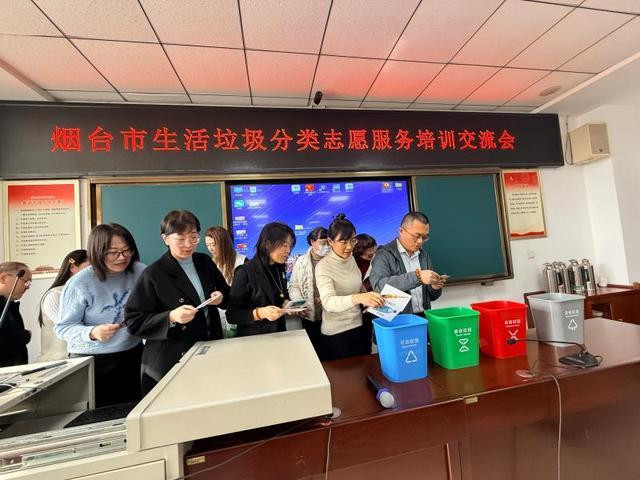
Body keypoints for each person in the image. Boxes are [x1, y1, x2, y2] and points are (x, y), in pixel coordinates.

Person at [126, 210, 229, 395]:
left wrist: (220, 297)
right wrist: (171, 317)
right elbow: (134, 321)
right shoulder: (154, 273)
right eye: (180, 239)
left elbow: (227, 294)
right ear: (165, 239)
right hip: (172, 357)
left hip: (209, 346)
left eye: (194, 237)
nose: (188, 244)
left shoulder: (204, 262)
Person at [56, 224, 144, 407]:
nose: (122, 257)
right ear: (97, 252)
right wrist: (92, 332)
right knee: (99, 415)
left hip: (132, 354)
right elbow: (63, 328)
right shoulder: (79, 283)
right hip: (92, 360)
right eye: (113, 252)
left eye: (126, 250)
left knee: (135, 411)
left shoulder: (140, 271)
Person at [315, 214, 384, 361]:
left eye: (352, 240)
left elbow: (356, 285)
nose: (349, 247)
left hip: (359, 326)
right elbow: (328, 302)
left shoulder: (350, 258)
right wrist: (359, 298)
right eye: (343, 242)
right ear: (330, 241)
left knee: (365, 369)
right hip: (338, 334)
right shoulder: (323, 267)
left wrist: (369, 298)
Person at [227, 222, 294, 337]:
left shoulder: (279, 268)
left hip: (279, 334)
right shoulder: (245, 272)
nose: (288, 250)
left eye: (290, 246)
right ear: (268, 244)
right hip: (253, 338)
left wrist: (286, 303)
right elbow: (232, 315)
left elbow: (281, 295)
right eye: (284, 245)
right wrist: (259, 313)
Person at [370, 212, 444, 315]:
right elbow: (379, 286)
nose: (420, 241)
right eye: (416, 236)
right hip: (397, 319)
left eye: (424, 237)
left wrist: (435, 288)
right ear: (401, 231)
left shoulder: (424, 255)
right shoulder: (383, 254)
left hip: (423, 316)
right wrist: (418, 277)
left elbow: (431, 297)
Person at [38, 249, 89, 362]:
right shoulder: (55, 295)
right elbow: (68, 328)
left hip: (79, 360)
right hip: (58, 362)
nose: (95, 272)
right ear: (73, 267)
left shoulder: (86, 292)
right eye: (90, 267)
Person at [288, 226, 329, 347]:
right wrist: (299, 303)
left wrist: (325, 298)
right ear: (312, 242)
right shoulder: (301, 261)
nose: (326, 246)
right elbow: (294, 285)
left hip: (330, 315)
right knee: (312, 347)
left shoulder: (333, 260)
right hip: (309, 314)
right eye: (323, 243)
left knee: (330, 349)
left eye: (328, 243)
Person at [204, 226, 247, 337]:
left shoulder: (243, 262)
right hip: (218, 316)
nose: (210, 249)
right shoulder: (210, 263)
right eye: (208, 245)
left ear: (224, 243)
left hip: (239, 314)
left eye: (213, 244)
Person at [0, 262, 32, 367]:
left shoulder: (10, 305)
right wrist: (25, 335)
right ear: (3, 278)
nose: (27, 287)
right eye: (26, 281)